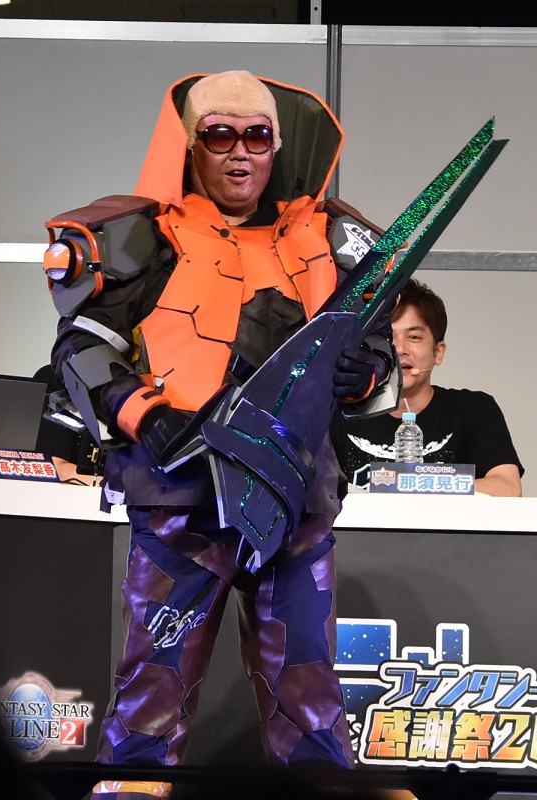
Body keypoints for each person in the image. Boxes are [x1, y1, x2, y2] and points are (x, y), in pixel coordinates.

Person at [43, 70, 400, 799]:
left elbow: (378, 356)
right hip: (181, 499)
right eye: (219, 135)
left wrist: (364, 373)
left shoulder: (330, 240)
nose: (240, 152)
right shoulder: (144, 238)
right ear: (190, 144)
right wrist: (147, 415)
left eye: (257, 136)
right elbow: (80, 349)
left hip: (293, 500)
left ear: (277, 146)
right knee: (150, 699)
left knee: (311, 706)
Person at [330, 278, 524, 496]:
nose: (400, 349)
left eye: (414, 337)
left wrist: (422, 484)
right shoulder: (337, 413)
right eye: (387, 337)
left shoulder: (474, 409)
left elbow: (509, 488)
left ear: (438, 352)